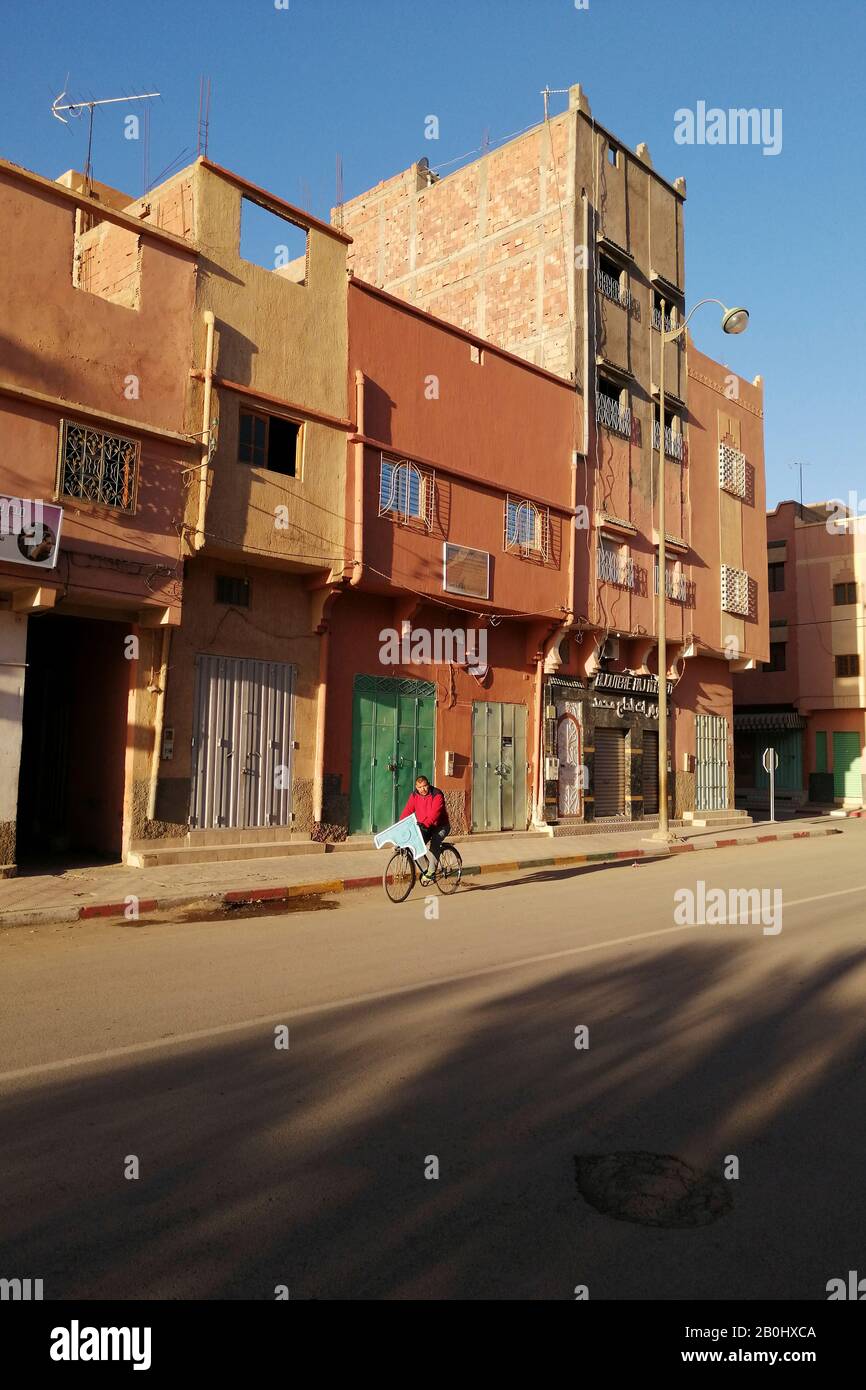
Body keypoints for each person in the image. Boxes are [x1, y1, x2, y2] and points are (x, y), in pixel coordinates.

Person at [399, 775, 450, 886]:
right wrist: (401, 825)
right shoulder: (414, 796)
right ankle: (426, 869)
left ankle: (431, 872)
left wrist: (424, 824)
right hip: (425, 826)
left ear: (429, 784)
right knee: (414, 845)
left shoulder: (437, 794)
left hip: (440, 826)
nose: (423, 789)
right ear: (416, 787)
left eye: (425, 786)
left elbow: (434, 814)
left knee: (435, 843)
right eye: (420, 787)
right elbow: (407, 811)